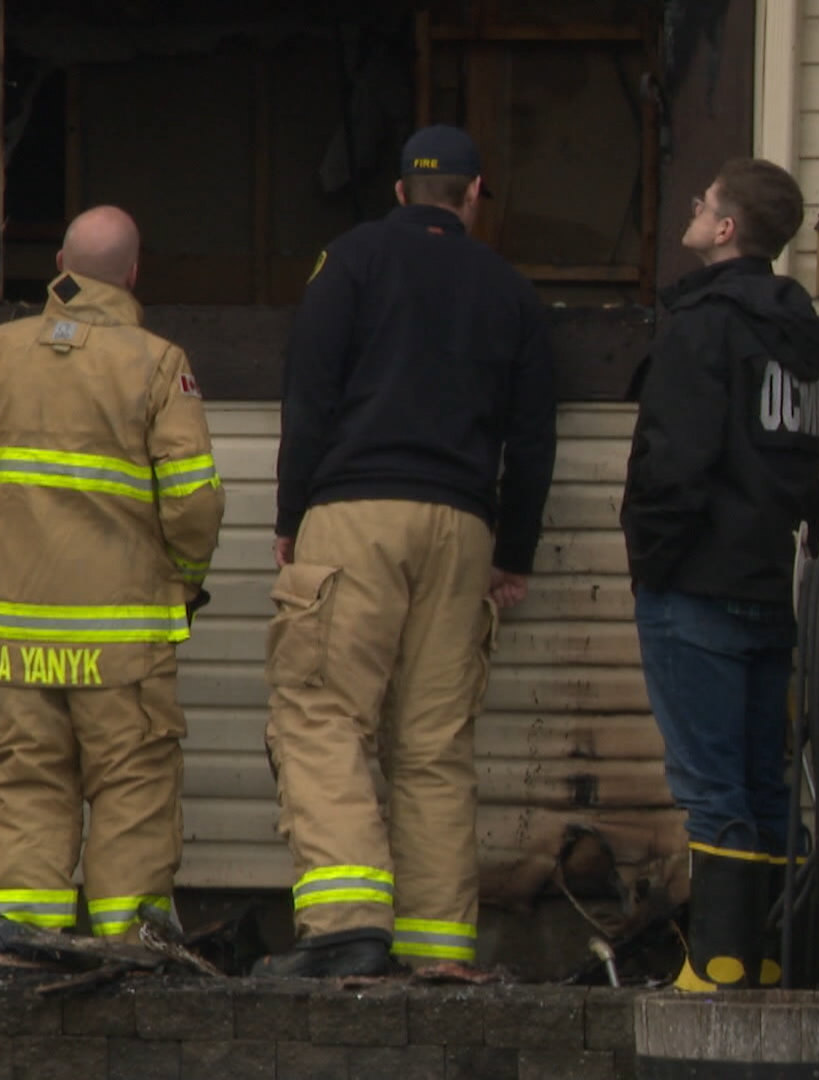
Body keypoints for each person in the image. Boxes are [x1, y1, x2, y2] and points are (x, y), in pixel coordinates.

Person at [257, 124, 557, 978]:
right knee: (432, 745)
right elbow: (535, 437)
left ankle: (349, 926)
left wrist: (292, 513)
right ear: (473, 196)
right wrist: (516, 553)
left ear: (399, 192)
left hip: (353, 513)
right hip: (463, 528)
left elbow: (308, 393)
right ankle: (436, 947)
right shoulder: (510, 290)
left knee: (321, 714)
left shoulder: (347, 263)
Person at [0, 205, 224, 949]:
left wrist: (2, 542)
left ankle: (19, 933)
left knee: (27, 785)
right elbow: (194, 501)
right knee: (132, 788)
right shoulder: (156, 363)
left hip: (18, 640)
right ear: (135, 272)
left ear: (59, 261)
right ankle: (128, 942)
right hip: (122, 643)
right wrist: (177, 577)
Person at [620, 157, 819, 992]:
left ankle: (715, 965)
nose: (694, 208)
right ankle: (769, 957)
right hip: (766, 587)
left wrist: (652, 563)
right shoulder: (798, 339)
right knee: (761, 779)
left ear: (726, 229)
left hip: (697, 586)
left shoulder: (703, 326)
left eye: (704, 201)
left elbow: (674, 462)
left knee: (712, 785)